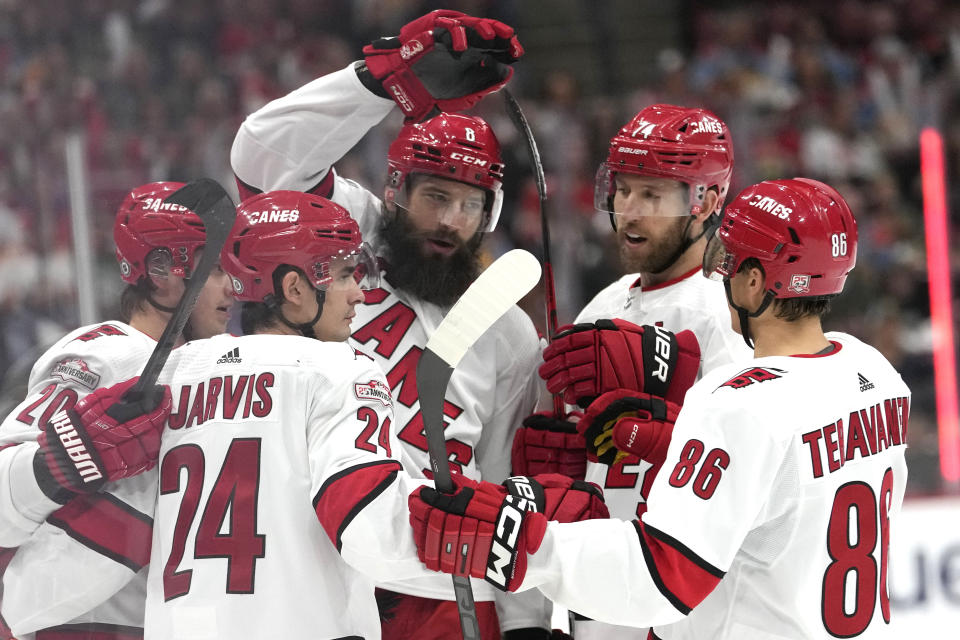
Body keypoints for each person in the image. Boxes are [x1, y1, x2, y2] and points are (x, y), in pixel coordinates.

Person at [1, 191, 607, 640]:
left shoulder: (175, 378)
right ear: (293, 288)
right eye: (344, 274)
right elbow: (371, 527)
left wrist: (14, 604)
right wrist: (517, 544)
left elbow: (117, 525)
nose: (360, 294)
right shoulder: (344, 369)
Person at [409, 178, 911, 639]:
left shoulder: (739, 404)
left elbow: (660, 578)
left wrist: (519, 542)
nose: (721, 274)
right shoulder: (877, 376)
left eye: (731, 263)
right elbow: (783, 489)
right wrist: (670, 437)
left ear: (756, 283)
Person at [230, 9, 548, 639]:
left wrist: (527, 624)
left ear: (492, 213)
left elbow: (506, 475)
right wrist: (375, 82)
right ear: (397, 189)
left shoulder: (507, 332)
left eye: (470, 205)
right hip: (310, 555)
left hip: (438, 585)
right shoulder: (343, 231)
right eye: (435, 197)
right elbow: (261, 159)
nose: (450, 222)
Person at [513, 104, 750, 638]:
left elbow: (746, 465)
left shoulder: (727, 315)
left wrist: (655, 428)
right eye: (623, 191)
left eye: (652, 195)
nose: (629, 211)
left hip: (683, 608)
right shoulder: (607, 303)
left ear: (706, 202)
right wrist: (560, 461)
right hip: (600, 598)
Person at [0, 181, 234, 639]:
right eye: (215, 271)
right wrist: (64, 459)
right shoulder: (109, 356)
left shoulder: (210, 364)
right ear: (163, 271)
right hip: (88, 628)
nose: (233, 288)